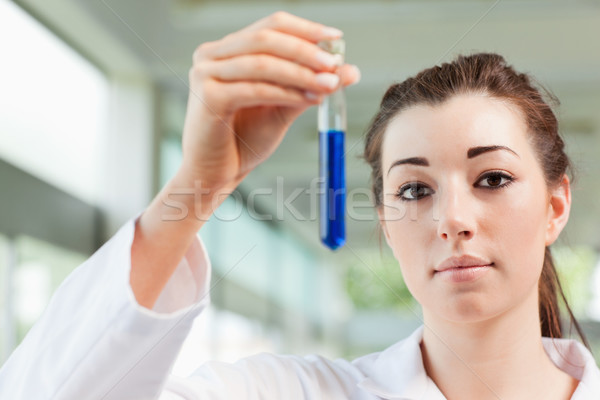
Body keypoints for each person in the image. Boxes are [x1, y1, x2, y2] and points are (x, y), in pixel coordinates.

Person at [0, 11, 599, 400]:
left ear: (555, 205)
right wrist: (198, 183)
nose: (452, 221)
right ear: (386, 226)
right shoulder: (290, 392)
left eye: (491, 178)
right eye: (413, 190)